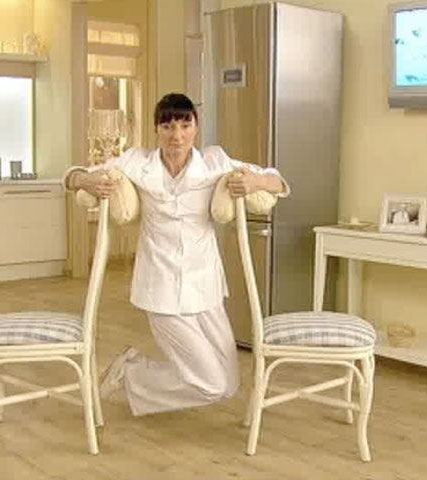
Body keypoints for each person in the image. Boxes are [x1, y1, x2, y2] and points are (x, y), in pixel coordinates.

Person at [63, 93, 290, 416]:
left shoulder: (214, 162)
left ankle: (132, 371)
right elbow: (73, 176)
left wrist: (257, 181)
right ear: (157, 128)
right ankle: (132, 374)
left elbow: (278, 182)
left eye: (185, 125)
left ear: (196, 127)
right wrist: (87, 179)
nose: (177, 135)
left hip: (206, 286)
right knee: (211, 384)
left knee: (228, 385)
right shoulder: (137, 162)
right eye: (168, 126)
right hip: (161, 288)